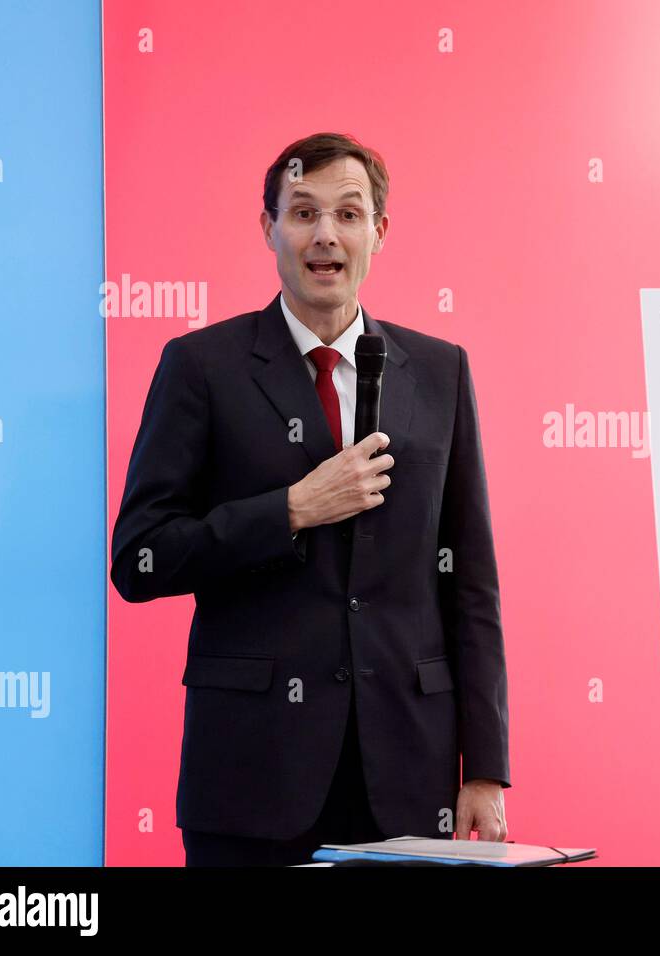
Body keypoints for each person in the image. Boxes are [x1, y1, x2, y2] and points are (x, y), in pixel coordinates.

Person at [110, 132, 509, 866]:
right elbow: (139, 559)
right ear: (269, 228)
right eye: (302, 213)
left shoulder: (441, 371)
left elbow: (472, 587)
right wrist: (290, 508)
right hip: (253, 771)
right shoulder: (201, 368)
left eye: (349, 215)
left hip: (408, 771)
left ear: (378, 233)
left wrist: (484, 767)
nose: (325, 233)